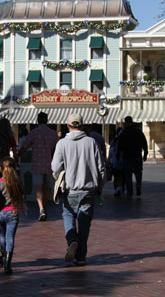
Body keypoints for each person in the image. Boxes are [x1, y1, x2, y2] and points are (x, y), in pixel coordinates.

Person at [52, 113, 104, 266]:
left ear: (68, 126)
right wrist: (100, 185)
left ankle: (72, 240)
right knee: (84, 224)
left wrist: (59, 177)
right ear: (82, 126)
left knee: (68, 215)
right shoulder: (91, 142)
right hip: (88, 189)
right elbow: (101, 167)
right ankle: (80, 256)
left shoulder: (62, 143)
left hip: (70, 189)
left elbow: (55, 167)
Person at [18, 112, 59, 221]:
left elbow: (24, 147)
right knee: (47, 187)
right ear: (47, 120)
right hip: (50, 164)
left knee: (38, 187)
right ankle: (44, 207)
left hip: (37, 163)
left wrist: (17, 155)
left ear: (37, 120)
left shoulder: (34, 133)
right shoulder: (53, 133)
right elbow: (58, 148)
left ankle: (41, 209)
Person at [0, 156, 27, 274]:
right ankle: (7, 262)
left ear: (1, 169)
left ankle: (3, 255)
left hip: (1, 212)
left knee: (2, 235)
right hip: (13, 212)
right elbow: (23, 196)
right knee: (10, 237)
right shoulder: (17, 182)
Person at [116, 116, 148, 197]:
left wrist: (118, 155)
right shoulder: (138, 131)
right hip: (137, 155)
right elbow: (144, 143)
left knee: (128, 175)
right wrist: (145, 154)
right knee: (138, 173)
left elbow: (119, 145)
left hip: (127, 156)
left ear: (125, 123)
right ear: (132, 122)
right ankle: (138, 185)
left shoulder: (123, 133)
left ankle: (130, 191)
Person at [107, 127, 124, 196]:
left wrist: (108, 162)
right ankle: (120, 187)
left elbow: (110, 156)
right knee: (121, 176)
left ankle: (116, 188)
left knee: (116, 177)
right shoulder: (123, 142)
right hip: (122, 162)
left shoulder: (113, 142)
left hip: (114, 163)